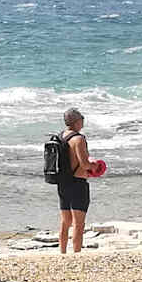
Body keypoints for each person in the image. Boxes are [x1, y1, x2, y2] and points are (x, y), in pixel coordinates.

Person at [54, 106, 92, 255]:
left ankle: (63, 253)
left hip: (62, 183)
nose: (83, 121)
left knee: (65, 222)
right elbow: (85, 164)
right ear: (77, 121)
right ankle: (76, 254)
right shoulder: (78, 139)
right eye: (82, 118)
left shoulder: (59, 137)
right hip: (78, 183)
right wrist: (95, 166)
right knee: (78, 223)